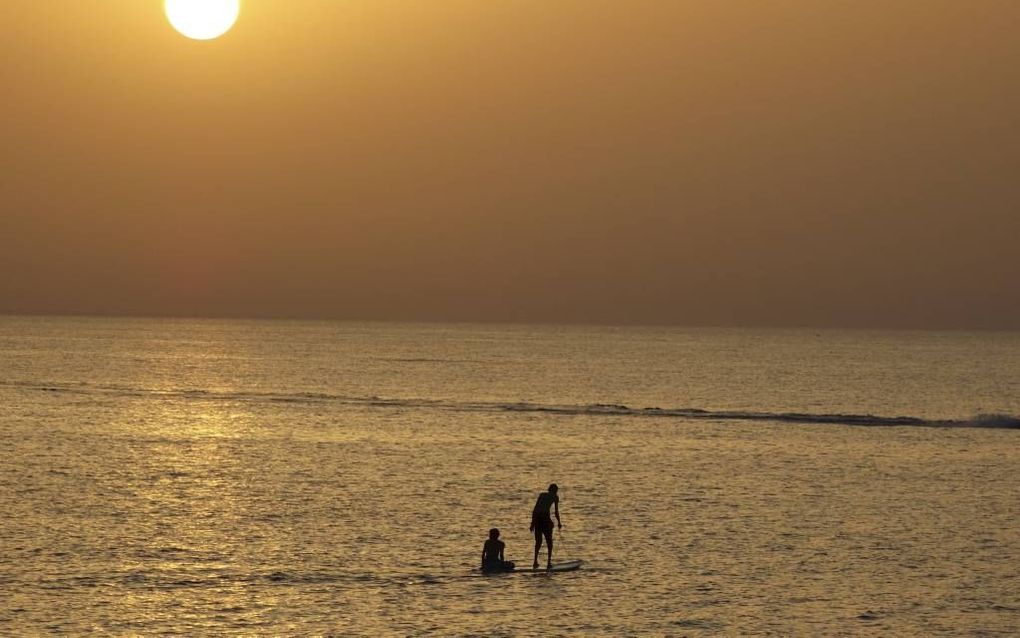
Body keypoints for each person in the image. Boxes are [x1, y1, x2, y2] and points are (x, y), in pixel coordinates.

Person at [530, 483, 562, 569]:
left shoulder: (545, 495)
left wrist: (532, 523)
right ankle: (543, 562)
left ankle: (538, 562)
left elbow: (536, 509)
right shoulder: (553, 497)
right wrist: (559, 522)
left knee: (540, 542)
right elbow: (555, 511)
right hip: (542, 519)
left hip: (539, 519)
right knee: (546, 541)